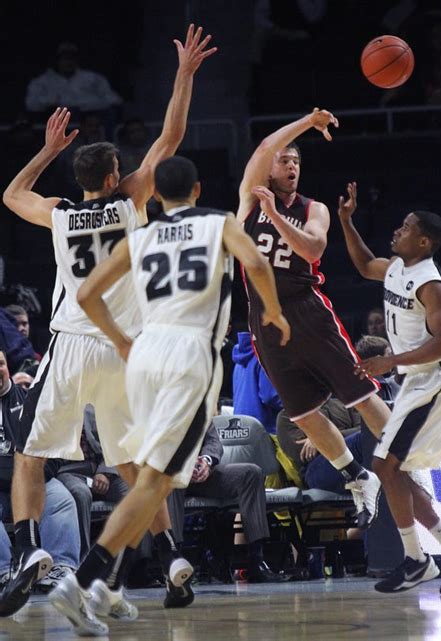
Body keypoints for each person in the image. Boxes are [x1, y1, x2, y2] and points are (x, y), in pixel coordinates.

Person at [0, 25, 216, 624]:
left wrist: (47, 150)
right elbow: (171, 135)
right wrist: (185, 73)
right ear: (118, 174)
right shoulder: (131, 204)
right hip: (128, 351)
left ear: (79, 180)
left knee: (29, 453)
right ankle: (169, 553)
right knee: (132, 468)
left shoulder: (61, 215)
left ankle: (27, 550)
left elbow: (12, 195)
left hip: (71, 343)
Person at [48, 154, 290, 635]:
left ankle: (106, 586)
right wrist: (275, 313)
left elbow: (87, 294)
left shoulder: (141, 235)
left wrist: (118, 338)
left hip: (144, 355)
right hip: (189, 357)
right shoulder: (217, 222)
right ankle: (81, 583)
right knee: (153, 480)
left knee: (152, 483)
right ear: (198, 190)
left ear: (155, 197)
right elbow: (258, 262)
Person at [237, 108, 392, 530]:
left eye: (296, 161)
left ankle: (405, 463)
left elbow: (311, 250)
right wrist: (308, 121)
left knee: (361, 394)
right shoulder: (250, 199)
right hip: (264, 318)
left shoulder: (313, 208)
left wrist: (277, 219)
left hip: (307, 309)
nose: (291, 166)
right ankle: (357, 477)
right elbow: (266, 144)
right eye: (284, 160)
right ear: (269, 167)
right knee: (302, 412)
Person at [338, 181, 441, 593]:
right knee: (398, 472)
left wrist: (389, 361)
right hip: (414, 379)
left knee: (384, 467)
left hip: (434, 379)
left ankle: (417, 560)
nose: (397, 231)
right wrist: (346, 220)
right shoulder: (397, 267)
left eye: (406, 227)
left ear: (425, 241)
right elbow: (364, 265)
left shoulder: (431, 283)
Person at [0, 348, 80, 591]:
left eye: (0, 364)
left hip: (30, 480)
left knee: (61, 497)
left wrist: (32, 475)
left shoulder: (27, 401)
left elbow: (52, 451)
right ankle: (4, 571)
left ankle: (60, 568)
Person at [167, 422, 281, 584]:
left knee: (251, 473)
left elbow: (213, 442)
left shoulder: (197, 404)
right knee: (171, 484)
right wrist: (181, 465)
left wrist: (206, 461)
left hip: (200, 474)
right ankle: (173, 561)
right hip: (168, 474)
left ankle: (256, 560)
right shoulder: (153, 406)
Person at [57, 405, 129, 560]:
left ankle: (129, 561)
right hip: (68, 470)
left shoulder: (95, 405)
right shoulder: (51, 407)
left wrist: (105, 472)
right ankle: (83, 560)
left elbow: (115, 442)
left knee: (132, 491)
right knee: (80, 493)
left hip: (99, 467)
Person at [25, 42, 123, 122]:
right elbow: (30, 104)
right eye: (64, 58)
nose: (69, 62)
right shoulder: (42, 81)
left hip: (89, 119)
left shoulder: (93, 78)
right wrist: (53, 102)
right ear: (57, 60)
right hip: (56, 123)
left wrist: (86, 104)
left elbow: (115, 100)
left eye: (72, 58)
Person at [232, 330, 283, 434]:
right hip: (264, 430)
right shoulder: (265, 356)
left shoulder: (239, 358)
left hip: (238, 429)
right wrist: (295, 406)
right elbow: (269, 396)